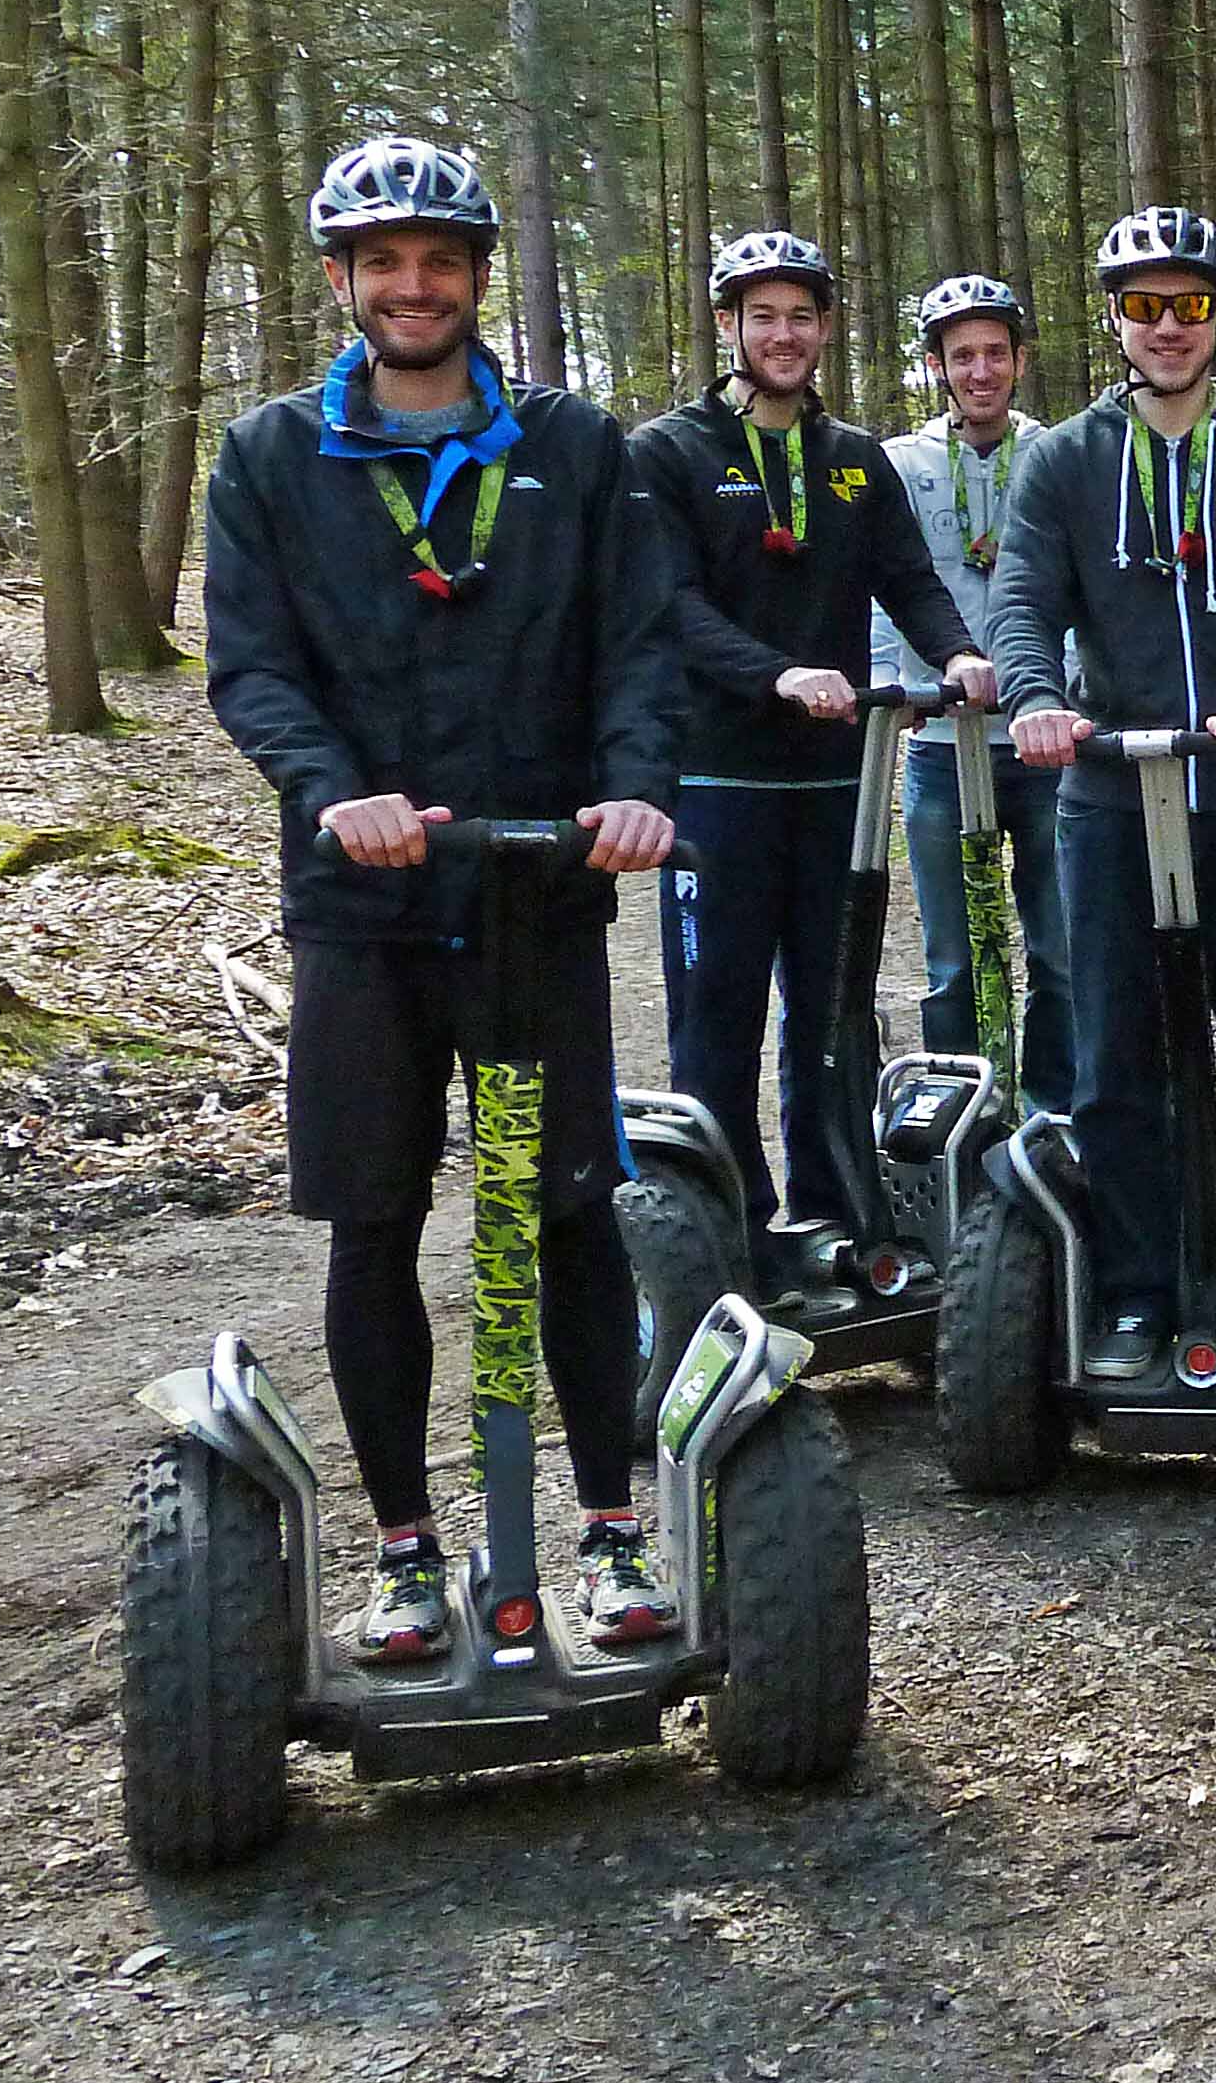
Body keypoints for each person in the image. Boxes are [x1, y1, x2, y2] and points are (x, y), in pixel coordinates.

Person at [201, 134, 683, 1662]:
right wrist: (332, 792)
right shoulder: (272, 457)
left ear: (477, 278)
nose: (414, 286)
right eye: (384, 264)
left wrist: (634, 787)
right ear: (342, 280)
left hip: (538, 885)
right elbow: (253, 667)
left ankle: (608, 1530)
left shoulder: (576, 446)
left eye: (440, 262)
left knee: (567, 1212)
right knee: (375, 1220)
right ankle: (406, 1549)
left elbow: (638, 642)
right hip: (364, 908)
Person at [988, 208, 1216, 1384]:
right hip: (1107, 794)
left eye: (1188, 304)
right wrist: (1037, 699)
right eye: (1144, 306)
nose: (1168, 327)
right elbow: (1022, 598)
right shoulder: (1065, 459)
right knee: (1110, 1062)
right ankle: (1139, 1293)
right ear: (1114, 320)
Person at [631, 232, 992, 1275]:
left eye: (800, 316)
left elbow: (907, 577)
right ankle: (730, 1234)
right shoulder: (668, 452)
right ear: (728, 326)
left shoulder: (852, 458)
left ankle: (837, 1215)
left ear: (825, 327)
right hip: (718, 780)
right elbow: (669, 605)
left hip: (840, 778)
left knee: (834, 1011)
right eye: (763, 317)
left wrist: (957, 653)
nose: (783, 335)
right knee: (719, 1014)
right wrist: (776, 675)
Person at [880, 272, 1071, 1104]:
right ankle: (962, 1107)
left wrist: (1060, 689)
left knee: (1061, 948)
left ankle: (1056, 1112)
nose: (981, 371)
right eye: (963, 357)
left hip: (1047, 746)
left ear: (1021, 359)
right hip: (939, 743)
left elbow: (1079, 586)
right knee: (951, 958)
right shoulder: (900, 464)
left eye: (996, 353)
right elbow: (884, 587)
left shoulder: (1058, 455)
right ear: (937, 366)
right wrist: (893, 688)